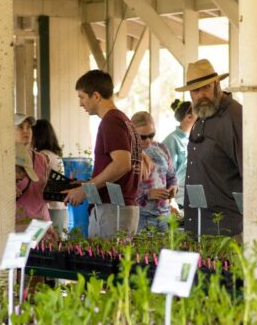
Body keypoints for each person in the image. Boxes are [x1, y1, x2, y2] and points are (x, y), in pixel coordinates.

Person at [63, 70, 141, 238]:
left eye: (82, 97)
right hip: (123, 206)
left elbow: (122, 164)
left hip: (113, 209)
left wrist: (86, 189)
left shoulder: (111, 121)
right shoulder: (124, 121)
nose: (80, 103)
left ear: (96, 96)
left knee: (104, 263)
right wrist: (89, 181)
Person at [177, 59, 243, 238]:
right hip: (199, 227)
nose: (201, 95)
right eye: (195, 90)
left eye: (205, 87)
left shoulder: (235, 117)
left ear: (217, 84)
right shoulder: (202, 116)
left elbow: (255, 177)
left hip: (227, 231)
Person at [131, 111, 177, 233]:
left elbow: (172, 176)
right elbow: (119, 189)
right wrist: (147, 193)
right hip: (140, 217)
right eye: (142, 137)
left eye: (151, 135)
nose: (148, 141)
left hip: (163, 216)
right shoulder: (126, 154)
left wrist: (173, 188)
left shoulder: (161, 148)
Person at [32, 119, 68, 234]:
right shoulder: (56, 156)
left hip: (49, 208)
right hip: (60, 206)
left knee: (47, 245)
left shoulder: (42, 156)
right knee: (57, 242)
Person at [14, 115, 50, 229]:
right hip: (18, 226)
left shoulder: (41, 159)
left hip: (40, 225)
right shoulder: (3, 160)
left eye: (29, 127)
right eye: (20, 127)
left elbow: (41, 198)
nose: (26, 131)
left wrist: (48, 224)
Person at [162, 99, 196, 207]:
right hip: (178, 201)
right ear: (189, 117)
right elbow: (166, 175)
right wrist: (170, 201)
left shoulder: (195, 139)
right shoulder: (171, 140)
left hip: (193, 199)